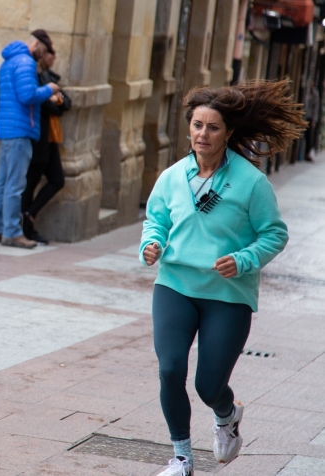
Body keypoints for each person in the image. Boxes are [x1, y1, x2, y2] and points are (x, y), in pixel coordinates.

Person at [140, 80, 304, 476]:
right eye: (197, 125)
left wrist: (245, 259)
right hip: (175, 285)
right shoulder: (172, 177)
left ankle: (227, 416)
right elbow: (156, 221)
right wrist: (151, 244)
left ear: (228, 133)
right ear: (188, 128)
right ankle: (181, 457)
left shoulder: (250, 182)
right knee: (170, 368)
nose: (203, 134)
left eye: (212, 127)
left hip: (228, 295)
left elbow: (275, 233)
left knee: (209, 385)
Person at [0, 29, 60, 249]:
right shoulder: (26, 63)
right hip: (20, 130)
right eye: (44, 50)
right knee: (15, 184)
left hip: (7, 129)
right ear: (36, 44)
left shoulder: (9, 61)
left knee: (2, 181)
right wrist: (49, 88)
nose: (43, 55)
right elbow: (27, 95)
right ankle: (11, 232)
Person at [21, 49, 71, 245]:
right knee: (30, 183)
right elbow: (46, 106)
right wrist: (51, 98)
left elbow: (66, 103)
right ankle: (25, 228)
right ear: (42, 56)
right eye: (51, 52)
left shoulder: (49, 76)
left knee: (57, 179)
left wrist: (55, 98)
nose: (55, 56)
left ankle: (29, 215)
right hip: (37, 137)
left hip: (50, 138)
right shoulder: (33, 77)